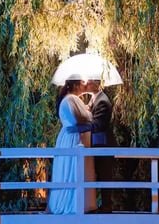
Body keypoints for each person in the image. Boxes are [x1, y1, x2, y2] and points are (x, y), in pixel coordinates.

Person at [46, 77, 96, 215]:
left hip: (73, 136)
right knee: (72, 169)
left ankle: (77, 203)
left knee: (74, 168)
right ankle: (72, 204)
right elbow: (78, 118)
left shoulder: (70, 100)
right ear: (76, 85)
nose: (85, 86)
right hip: (74, 138)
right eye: (82, 83)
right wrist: (89, 113)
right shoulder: (70, 99)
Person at [84, 78, 116, 211]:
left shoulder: (102, 101)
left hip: (103, 144)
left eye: (89, 82)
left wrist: (81, 127)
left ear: (96, 84)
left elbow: (99, 124)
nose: (86, 84)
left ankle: (106, 206)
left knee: (104, 174)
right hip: (97, 143)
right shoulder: (94, 99)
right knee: (98, 173)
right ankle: (99, 204)